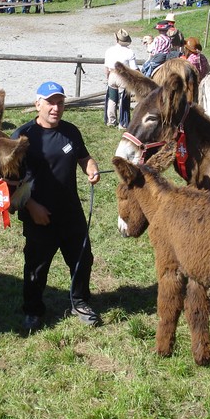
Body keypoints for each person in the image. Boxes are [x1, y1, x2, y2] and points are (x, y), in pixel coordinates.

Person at [11, 82, 101, 331]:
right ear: (37, 104)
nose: (56, 108)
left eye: (60, 103)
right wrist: (31, 207)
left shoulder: (71, 131)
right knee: (37, 266)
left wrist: (90, 167)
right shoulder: (22, 137)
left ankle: (80, 302)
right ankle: (33, 311)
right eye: (50, 102)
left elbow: (84, 157)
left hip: (71, 210)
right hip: (39, 214)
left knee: (83, 259)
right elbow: (9, 183)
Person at [104, 29, 138, 128]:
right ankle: (122, 123)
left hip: (112, 74)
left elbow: (106, 68)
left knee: (112, 99)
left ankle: (111, 120)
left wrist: (108, 77)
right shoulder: (129, 52)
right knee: (124, 99)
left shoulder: (109, 50)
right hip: (123, 76)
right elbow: (134, 68)